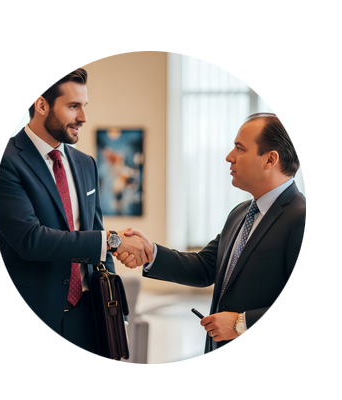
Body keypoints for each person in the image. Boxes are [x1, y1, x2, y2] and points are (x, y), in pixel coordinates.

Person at [0, 60, 153, 364]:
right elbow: (31, 240)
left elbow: (97, 236)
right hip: (23, 327)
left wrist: (112, 316)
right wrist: (114, 240)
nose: (83, 117)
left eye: (84, 105)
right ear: (41, 105)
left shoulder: (86, 163)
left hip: (83, 325)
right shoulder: (1, 161)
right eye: (73, 106)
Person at [115, 113, 306, 364]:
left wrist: (241, 324)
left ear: (270, 159)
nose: (229, 156)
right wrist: (150, 252)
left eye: (240, 148)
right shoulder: (240, 213)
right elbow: (205, 267)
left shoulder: (302, 218)